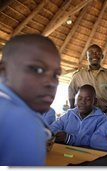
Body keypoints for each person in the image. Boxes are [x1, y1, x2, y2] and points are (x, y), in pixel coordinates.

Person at [0, 34, 61, 165]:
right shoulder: (22, 122)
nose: (51, 83)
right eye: (38, 69)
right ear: (3, 71)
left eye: (56, 75)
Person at [68, 44, 107, 115]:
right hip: (83, 116)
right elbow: (71, 94)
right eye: (91, 53)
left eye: (98, 53)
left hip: (104, 115)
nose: (94, 55)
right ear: (86, 57)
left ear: (102, 56)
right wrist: (72, 112)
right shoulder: (78, 75)